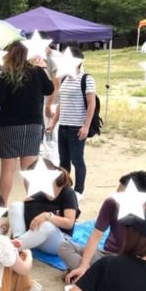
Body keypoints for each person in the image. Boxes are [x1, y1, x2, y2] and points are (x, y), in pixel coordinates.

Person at [59, 170, 146, 282]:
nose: (117, 199)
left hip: (138, 265)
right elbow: (96, 236)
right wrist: (83, 266)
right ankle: (90, 276)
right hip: (109, 256)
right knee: (65, 247)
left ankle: (92, 278)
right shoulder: (111, 204)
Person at [0, 41, 54, 205]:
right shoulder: (37, 72)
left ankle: (3, 204)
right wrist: (44, 67)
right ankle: (31, 203)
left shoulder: (6, 75)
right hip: (33, 125)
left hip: (9, 126)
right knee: (29, 169)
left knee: (7, 170)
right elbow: (50, 89)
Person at [46, 47, 95, 198]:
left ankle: (79, 191)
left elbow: (91, 104)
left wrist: (86, 126)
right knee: (64, 160)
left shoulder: (86, 79)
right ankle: (65, 188)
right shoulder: (64, 79)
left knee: (77, 160)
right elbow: (62, 103)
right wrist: (53, 123)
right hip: (63, 126)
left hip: (77, 127)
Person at [9, 158, 78, 255]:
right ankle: (19, 242)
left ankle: (14, 246)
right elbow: (21, 208)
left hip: (58, 241)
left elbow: (69, 223)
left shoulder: (67, 193)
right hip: (35, 237)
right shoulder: (40, 191)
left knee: (47, 225)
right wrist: (7, 221)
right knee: (16, 206)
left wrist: (47, 216)